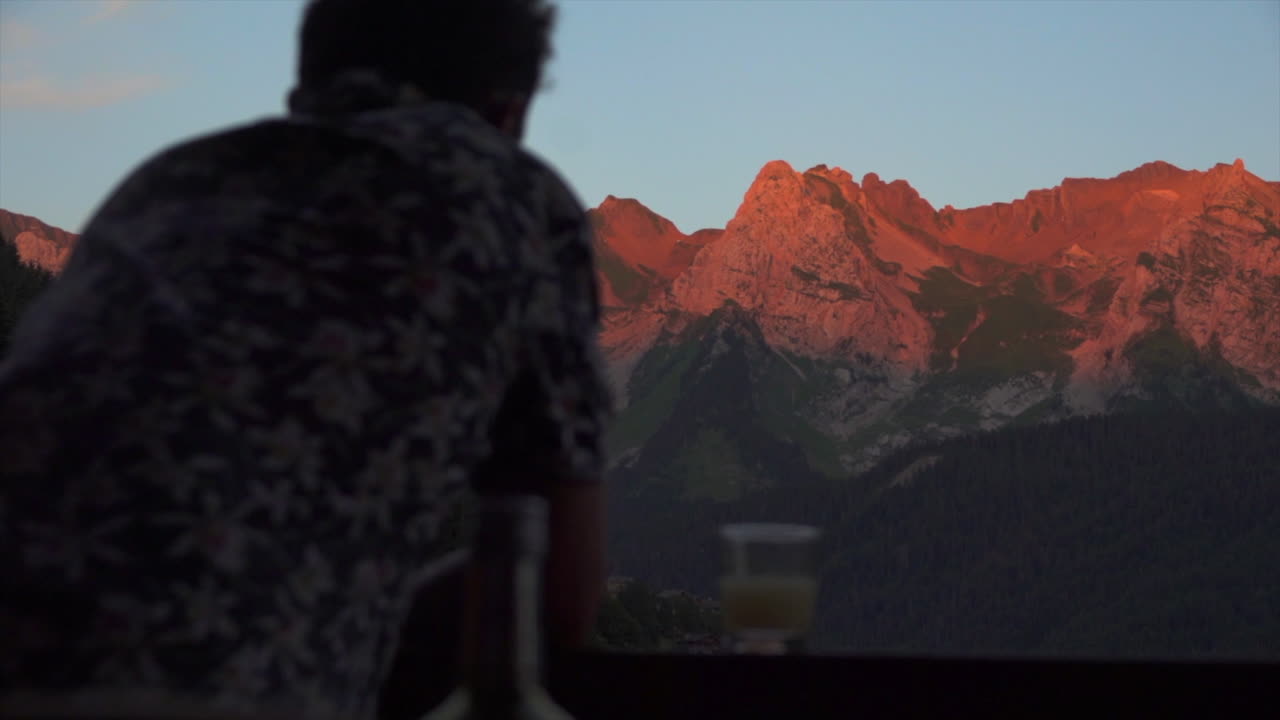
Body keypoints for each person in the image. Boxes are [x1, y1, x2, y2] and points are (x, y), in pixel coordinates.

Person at [0, 0, 610, 718]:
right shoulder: (512, 196)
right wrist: (357, 603)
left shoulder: (164, 184)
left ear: (307, 85)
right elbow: (560, 591)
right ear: (507, 111)